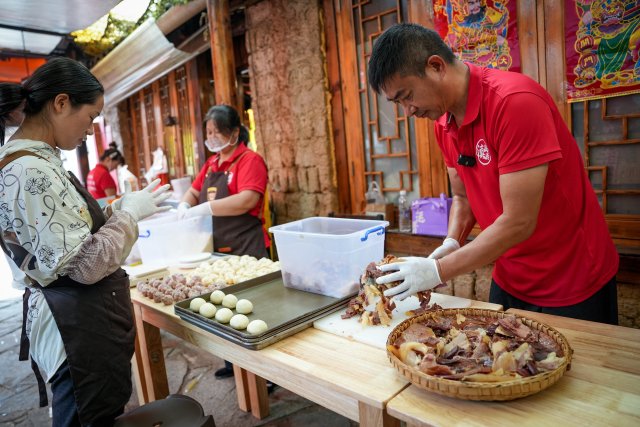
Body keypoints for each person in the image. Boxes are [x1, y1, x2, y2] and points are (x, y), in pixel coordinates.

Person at [368, 23, 619, 324]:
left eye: (406, 96)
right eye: (397, 102)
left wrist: (438, 272)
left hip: (572, 277)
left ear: (435, 66)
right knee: (497, 362)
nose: (407, 111)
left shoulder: (514, 103)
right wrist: (452, 241)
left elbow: (519, 222)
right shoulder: (443, 122)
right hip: (511, 275)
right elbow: (462, 196)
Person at [0, 58, 171, 426]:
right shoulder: (30, 169)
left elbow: (66, 234)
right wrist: (129, 216)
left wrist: (115, 211)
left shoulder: (36, 161)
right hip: (74, 328)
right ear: (61, 103)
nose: (92, 130)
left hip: (80, 320)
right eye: (91, 116)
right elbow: (85, 265)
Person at [178, 104, 269, 379]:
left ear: (234, 132)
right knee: (225, 308)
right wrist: (185, 206)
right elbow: (194, 193)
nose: (212, 137)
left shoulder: (249, 160)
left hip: (247, 247)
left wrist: (207, 208)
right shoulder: (212, 164)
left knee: (253, 311)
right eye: (208, 132)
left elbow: (248, 199)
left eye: (217, 131)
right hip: (219, 249)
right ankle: (234, 365)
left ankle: (263, 376)